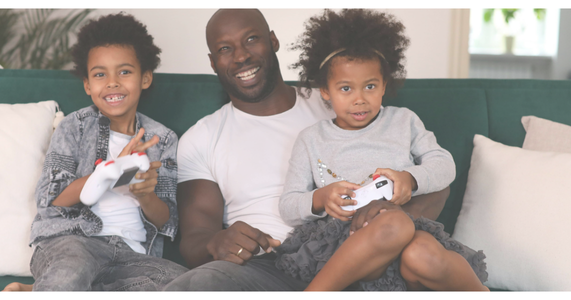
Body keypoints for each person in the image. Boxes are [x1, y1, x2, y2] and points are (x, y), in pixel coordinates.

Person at [163, 9, 451, 291]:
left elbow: (436, 182)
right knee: (199, 283)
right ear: (213, 62)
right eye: (226, 48)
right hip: (265, 266)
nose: (241, 56)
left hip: (360, 253)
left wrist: (387, 221)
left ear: (273, 41)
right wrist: (217, 241)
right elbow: (195, 236)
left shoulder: (345, 99)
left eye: (251, 39)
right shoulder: (202, 137)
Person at [273, 9, 489, 291]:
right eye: (346, 88)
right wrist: (321, 197)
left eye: (370, 86)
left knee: (420, 252)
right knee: (395, 227)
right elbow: (288, 206)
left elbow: (444, 165)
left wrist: (408, 179)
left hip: (405, 225)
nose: (359, 99)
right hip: (347, 243)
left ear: (385, 84)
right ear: (325, 90)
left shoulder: (403, 121)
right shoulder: (311, 139)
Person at [2, 13, 187, 291]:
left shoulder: (163, 139)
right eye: (100, 74)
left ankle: (32, 291)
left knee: (186, 284)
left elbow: (166, 221)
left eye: (124, 71)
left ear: (145, 78)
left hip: (131, 254)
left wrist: (145, 194)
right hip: (72, 242)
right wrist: (107, 170)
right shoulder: (74, 127)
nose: (112, 82)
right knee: (71, 271)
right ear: (88, 85)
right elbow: (51, 200)